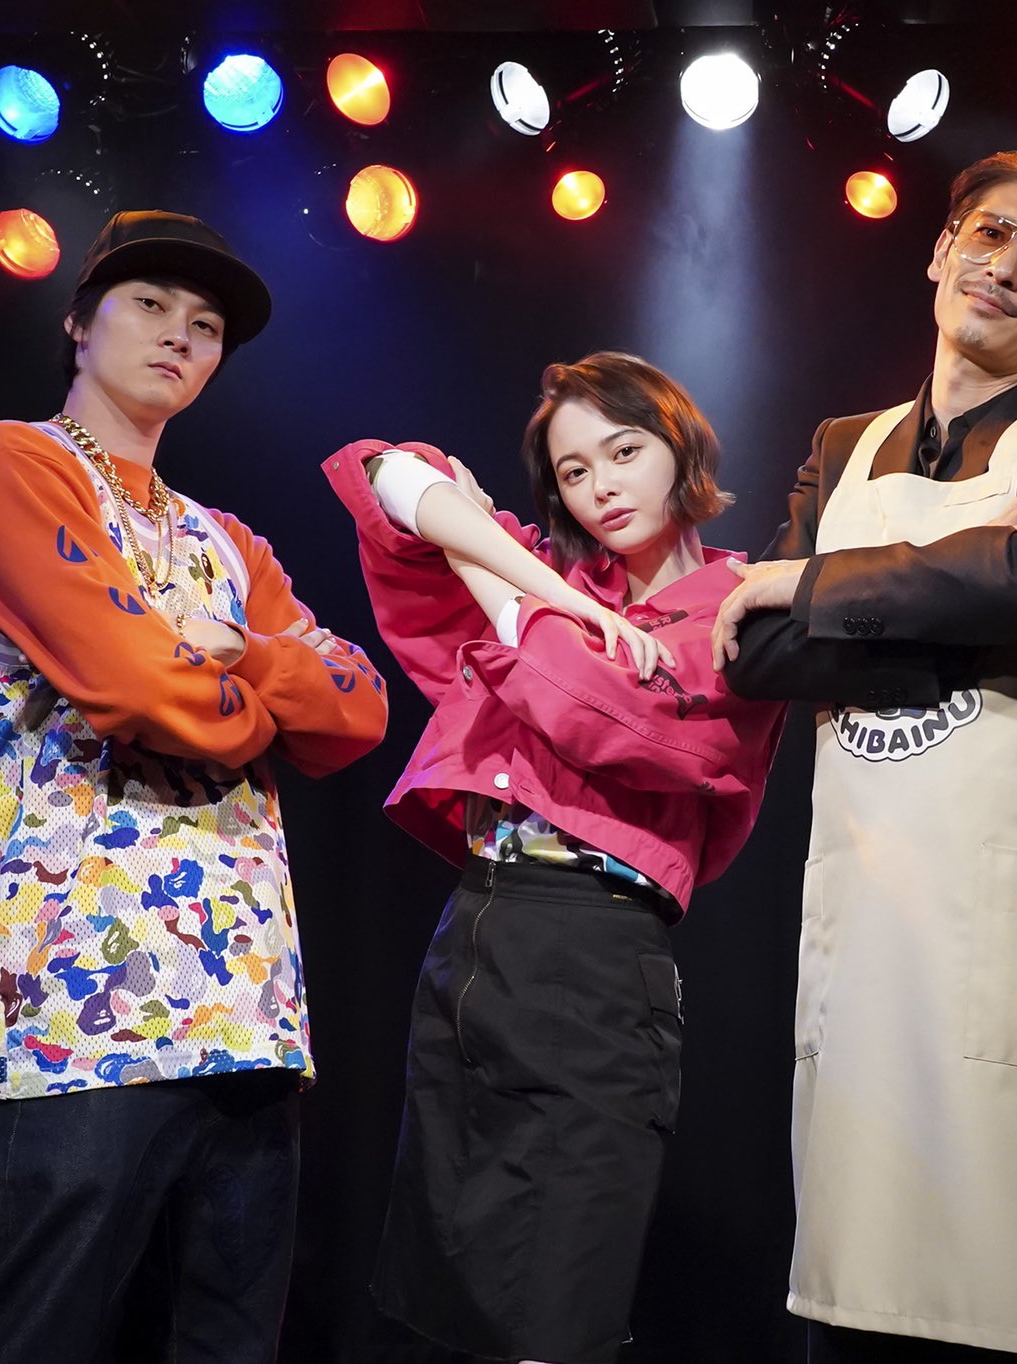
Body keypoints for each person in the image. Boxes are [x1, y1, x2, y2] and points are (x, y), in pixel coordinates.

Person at [713, 137, 1017, 1363]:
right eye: (989, 233)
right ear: (940, 249)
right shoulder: (844, 445)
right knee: (866, 1305)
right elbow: (755, 656)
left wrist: (813, 583)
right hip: (873, 948)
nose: (1006, 266)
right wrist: (964, 585)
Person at [0, 210, 389, 1363]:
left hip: (241, 1006)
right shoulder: (16, 464)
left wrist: (245, 658)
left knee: (226, 1339)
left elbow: (359, 708)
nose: (181, 334)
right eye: (150, 304)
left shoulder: (229, 543)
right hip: (70, 1000)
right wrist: (254, 708)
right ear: (78, 323)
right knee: (26, 1334)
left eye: (207, 324)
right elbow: (130, 684)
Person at [322, 353, 788, 1364]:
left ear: (682, 449)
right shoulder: (560, 586)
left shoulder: (738, 605)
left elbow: (603, 716)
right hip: (474, 928)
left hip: (593, 949)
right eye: (573, 472)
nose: (601, 486)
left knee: (557, 1308)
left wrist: (491, 574)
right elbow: (383, 472)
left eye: (624, 452)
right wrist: (538, 582)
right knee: (443, 1299)